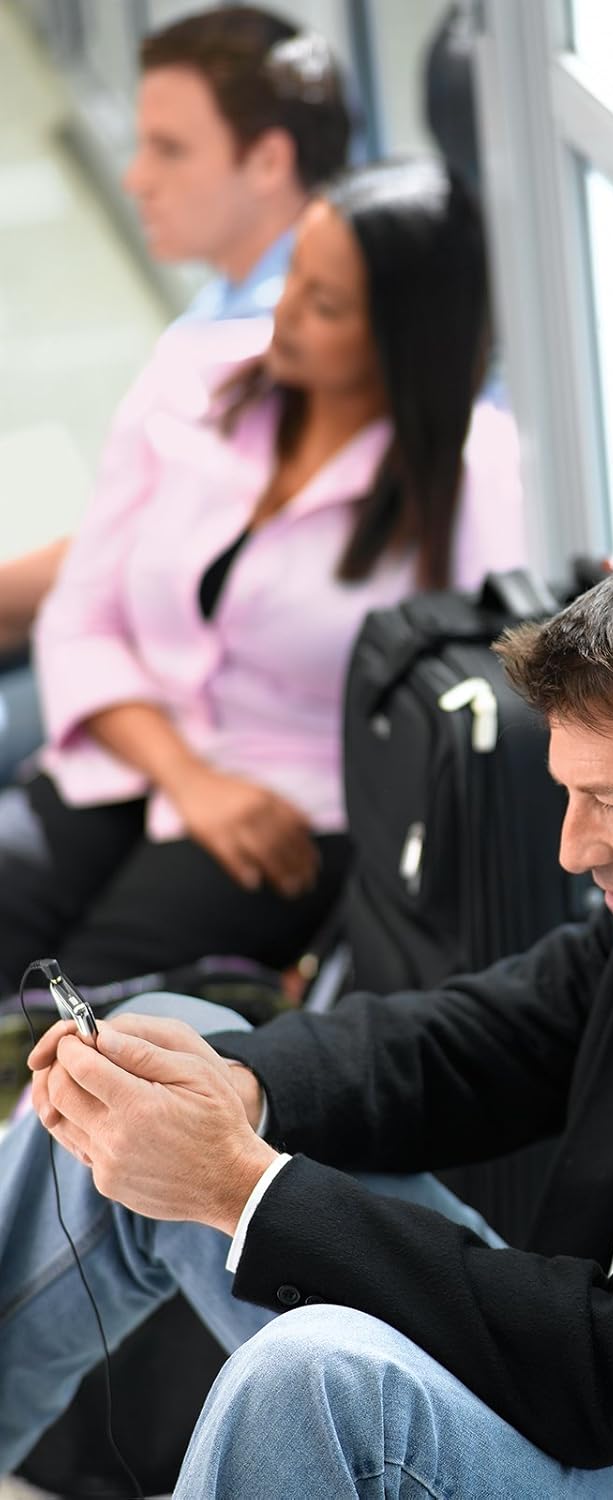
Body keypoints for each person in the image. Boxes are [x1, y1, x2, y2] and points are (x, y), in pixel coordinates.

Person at [0, 539, 613, 1498]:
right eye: (568, 793)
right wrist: (239, 1088)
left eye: (610, 802)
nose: (571, 848)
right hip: (570, 1388)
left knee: (315, 1379)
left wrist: (236, 1182)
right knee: (151, 1066)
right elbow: (462, 1044)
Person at [0, 156, 524, 993]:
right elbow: (80, 614)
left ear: (403, 336)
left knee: (79, 1017)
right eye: (292, 278)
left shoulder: (474, 476)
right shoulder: (191, 383)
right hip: (127, 746)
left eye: (325, 306)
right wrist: (186, 777)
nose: (282, 315)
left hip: (290, 814)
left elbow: (459, 720)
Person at [0, 4, 352, 786]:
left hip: (189, 707)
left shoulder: (279, 343)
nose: (135, 176)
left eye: (169, 150)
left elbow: (143, 565)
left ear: (266, 162)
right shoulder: (235, 296)